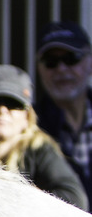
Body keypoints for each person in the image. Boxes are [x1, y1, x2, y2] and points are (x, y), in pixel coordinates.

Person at [0, 62, 87, 210]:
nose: (1, 110)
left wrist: (18, 196)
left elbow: (75, 199)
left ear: (27, 117)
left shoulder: (38, 148)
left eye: (13, 103)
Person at [33, 20, 92, 207]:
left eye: (71, 58)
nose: (61, 69)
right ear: (39, 68)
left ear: (90, 62)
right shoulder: (29, 127)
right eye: (51, 62)